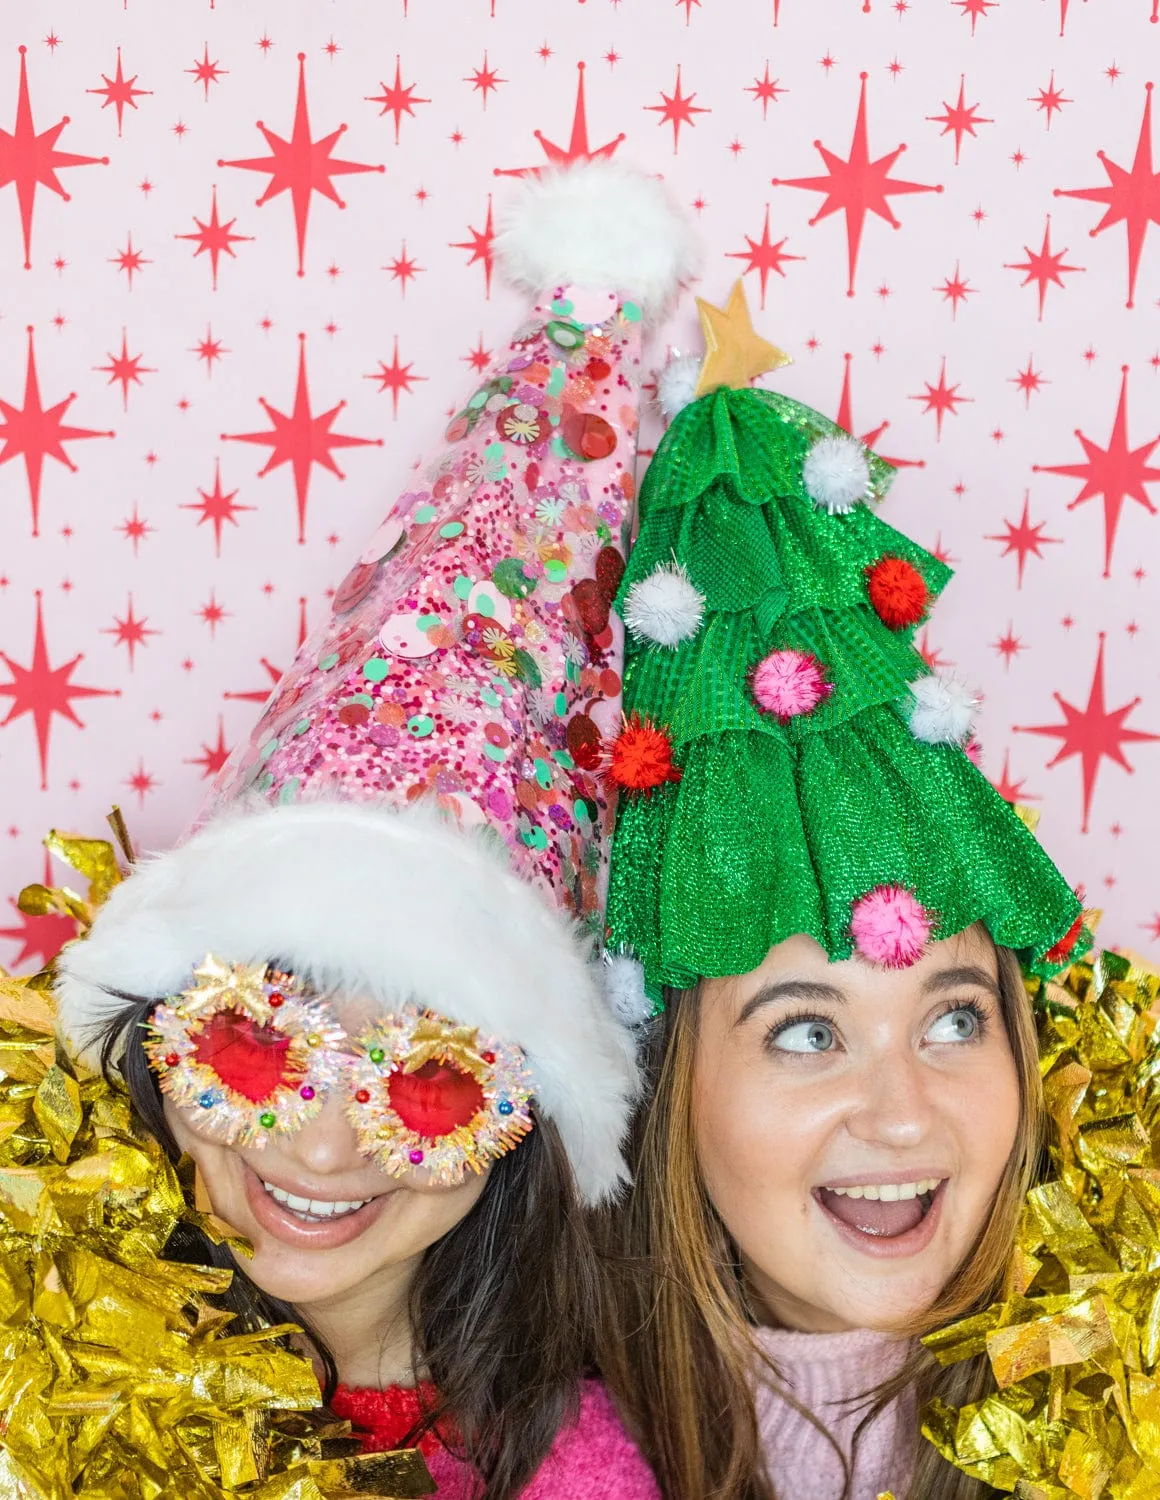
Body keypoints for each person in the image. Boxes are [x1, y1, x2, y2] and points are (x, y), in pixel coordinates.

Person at [13, 158, 701, 1498]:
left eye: (426, 1085)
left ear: (518, 1122)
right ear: (162, 1033)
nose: (324, 1152)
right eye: (259, 1047)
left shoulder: (575, 1476)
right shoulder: (29, 1349)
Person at [593, 303, 1088, 1500]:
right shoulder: (535, 1453)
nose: (905, 1116)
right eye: (807, 1032)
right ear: (668, 1084)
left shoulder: (1145, 1402)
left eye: (956, 1017)